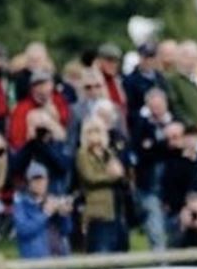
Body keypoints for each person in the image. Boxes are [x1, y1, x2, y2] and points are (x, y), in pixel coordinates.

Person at [129, 88, 175, 250]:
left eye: (159, 106)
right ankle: (161, 267)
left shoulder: (177, 122)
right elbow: (140, 152)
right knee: (155, 228)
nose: (156, 110)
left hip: (174, 183)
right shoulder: (141, 124)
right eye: (153, 107)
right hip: (149, 184)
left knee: (172, 227)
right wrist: (164, 143)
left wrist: (153, 145)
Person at [77, 117, 129, 253]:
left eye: (98, 131)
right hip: (98, 209)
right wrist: (112, 177)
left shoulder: (108, 153)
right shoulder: (83, 154)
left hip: (115, 207)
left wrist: (120, 175)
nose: (95, 135)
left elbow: (121, 173)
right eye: (91, 131)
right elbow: (90, 177)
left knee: (118, 250)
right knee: (100, 248)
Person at [12, 163, 72, 258]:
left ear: (47, 181)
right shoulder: (22, 204)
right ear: (29, 183)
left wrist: (64, 215)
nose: (39, 183)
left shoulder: (52, 200)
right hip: (37, 262)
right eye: (35, 180)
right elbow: (22, 231)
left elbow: (67, 230)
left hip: (60, 258)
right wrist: (45, 214)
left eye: (42, 179)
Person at [8, 70, 70, 151]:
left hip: (58, 148)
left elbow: (67, 127)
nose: (41, 88)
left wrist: (52, 114)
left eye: (45, 83)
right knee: (35, 116)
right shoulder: (22, 107)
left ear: (51, 84)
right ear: (31, 88)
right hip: (31, 152)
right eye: (37, 84)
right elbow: (17, 140)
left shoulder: (59, 101)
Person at [167, 41, 197, 145]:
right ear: (180, 58)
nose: (194, 62)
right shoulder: (173, 80)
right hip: (187, 134)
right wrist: (192, 125)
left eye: (196, 58)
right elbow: (175, 106)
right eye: (190, 58)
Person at [123, 42, 170, 119]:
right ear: (140, 58)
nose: (148, 61)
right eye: (145, 57)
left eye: (151, 57)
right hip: (141, 121)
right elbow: (130, 108)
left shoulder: (161, 78)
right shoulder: (130, 80)